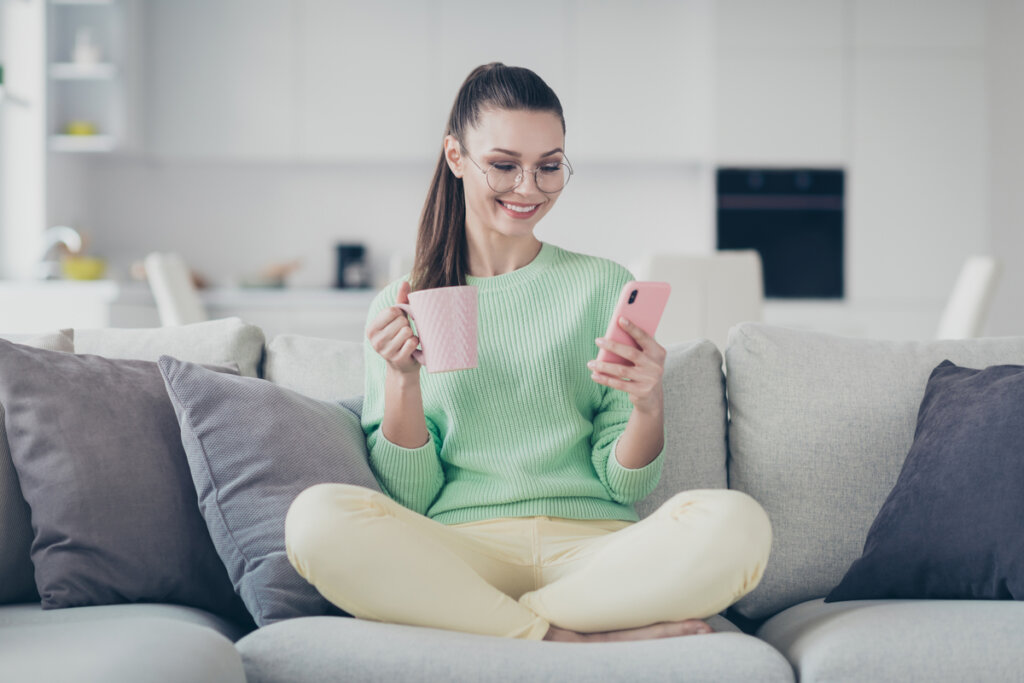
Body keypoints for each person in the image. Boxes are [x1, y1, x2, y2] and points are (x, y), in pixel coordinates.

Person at [285, 62, 772, 643]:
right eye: (504, 166)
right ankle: (567, 635)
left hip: (596, 549)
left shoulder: (599, 284)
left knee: (738, 524)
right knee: (315, 520)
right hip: (463, 551)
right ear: (456, 157)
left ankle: (502, 624)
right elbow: (411, 494)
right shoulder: (403, 301)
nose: (529, 189)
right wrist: (402, 380)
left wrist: (647, 404)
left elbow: (626, 487)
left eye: (548, 167)